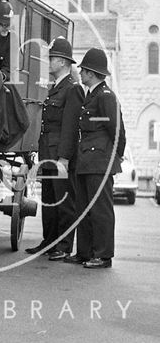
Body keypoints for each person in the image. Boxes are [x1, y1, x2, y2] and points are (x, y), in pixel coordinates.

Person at [65, 48, 126, 269]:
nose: (80, 73)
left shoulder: (105, 96)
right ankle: (85, 252)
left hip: (100, 163)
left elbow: (117, 130)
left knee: (100, 210)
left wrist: (113, 157)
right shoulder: (91, 95)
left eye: (83, 70)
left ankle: (103, 255)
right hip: (86, 162)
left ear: (91, 73)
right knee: (84, 208)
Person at [25, 37, 84, 259]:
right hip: (49, 153)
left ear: (62, 62)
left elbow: (69, 127)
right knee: (49, 201)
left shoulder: (72, 89)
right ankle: (50, 241)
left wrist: (64, 159)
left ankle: (64, 245)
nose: (49, 62)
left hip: (60, 156)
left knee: (64, 202)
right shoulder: (56, 88)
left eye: (52, 59)